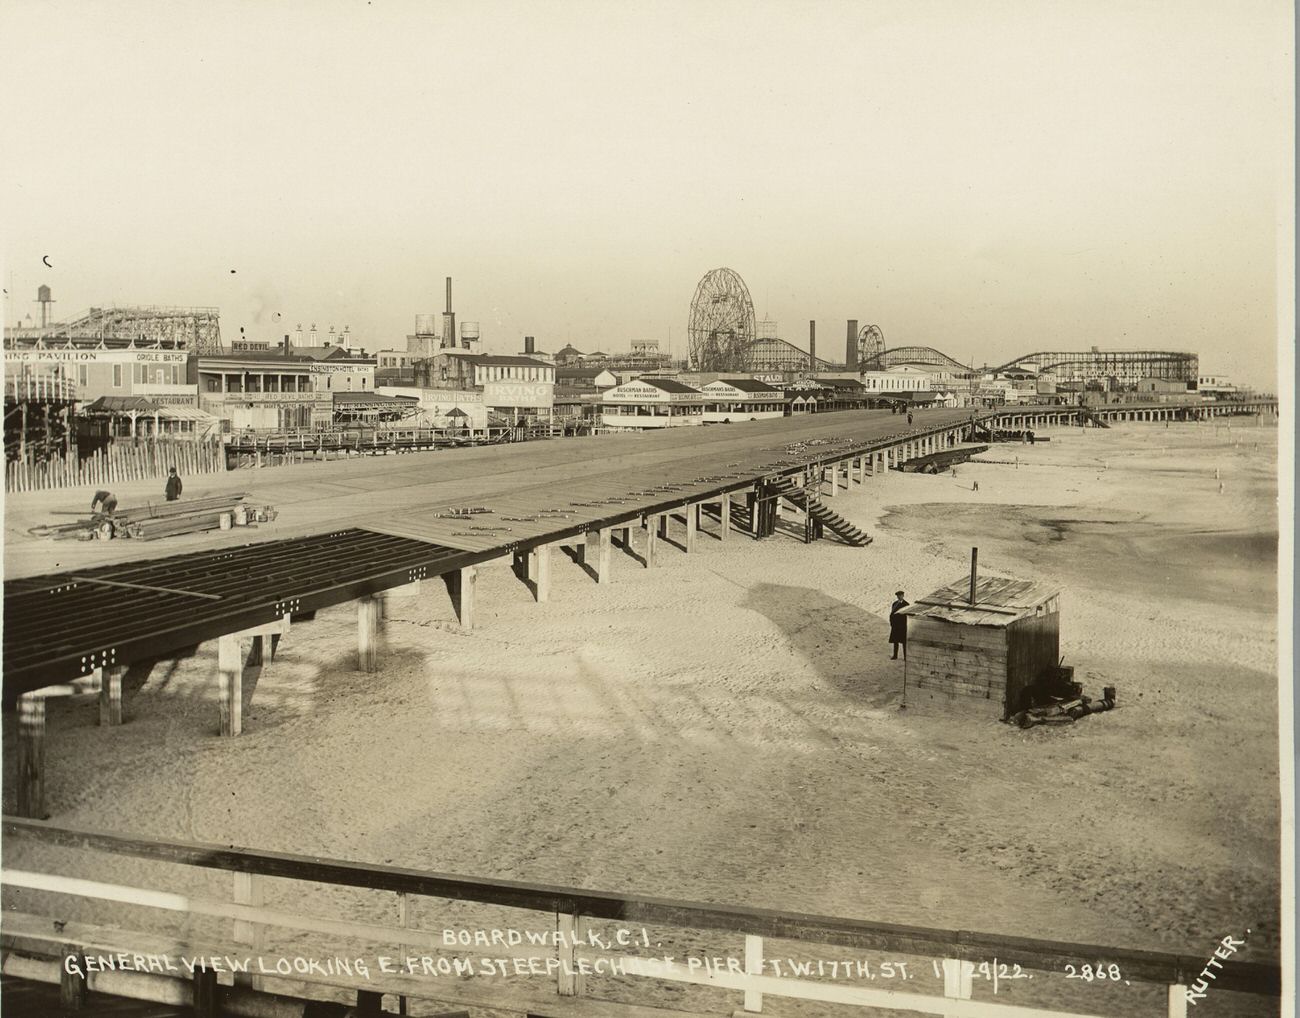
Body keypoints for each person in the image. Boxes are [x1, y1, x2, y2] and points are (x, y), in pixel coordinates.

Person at [889, 591, 909, 660]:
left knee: (904, 643)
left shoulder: (906, 604)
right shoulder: (894, 604)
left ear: (903, 595)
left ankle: (905, 657)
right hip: (895, 626)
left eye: (900, 595)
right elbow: (892, 614)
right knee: (895, 641)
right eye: (898, 596)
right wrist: (892, 623)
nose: (899, 597)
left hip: (902, 626)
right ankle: (895, 655)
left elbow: (907, 616)